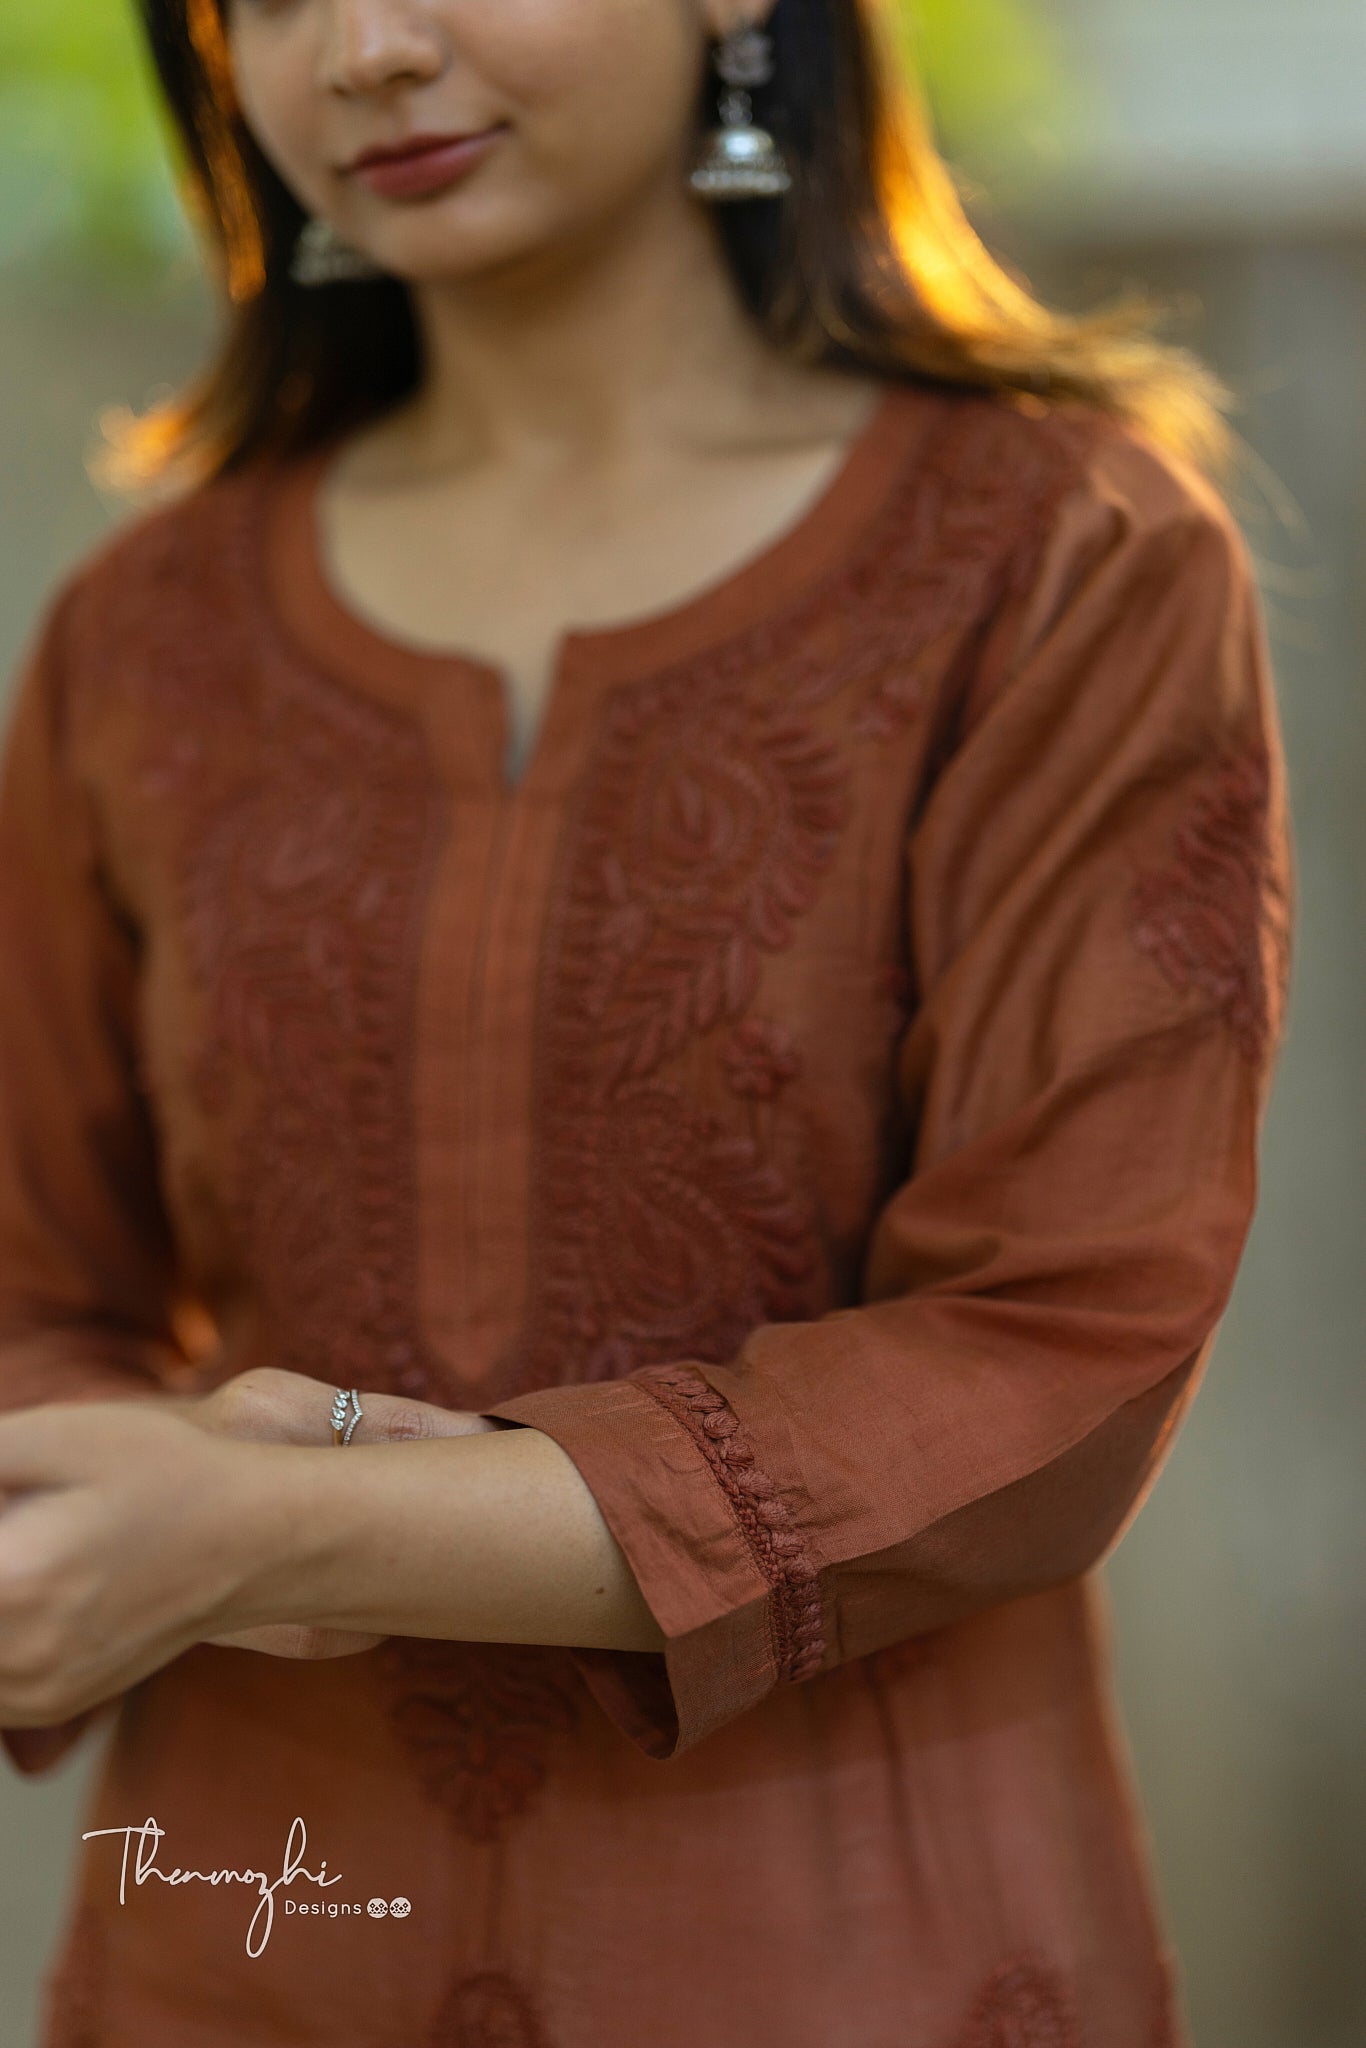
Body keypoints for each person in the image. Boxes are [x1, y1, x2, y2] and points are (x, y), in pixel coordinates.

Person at [0, 1, 1294, 2043]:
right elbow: (31, 1284)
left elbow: (1057, 1348)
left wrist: (280, 1517)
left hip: (859, 1957)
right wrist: (102, 1501)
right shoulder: (144, 639)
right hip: (239, 1934)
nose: (363, 53)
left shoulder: (1060, 557)